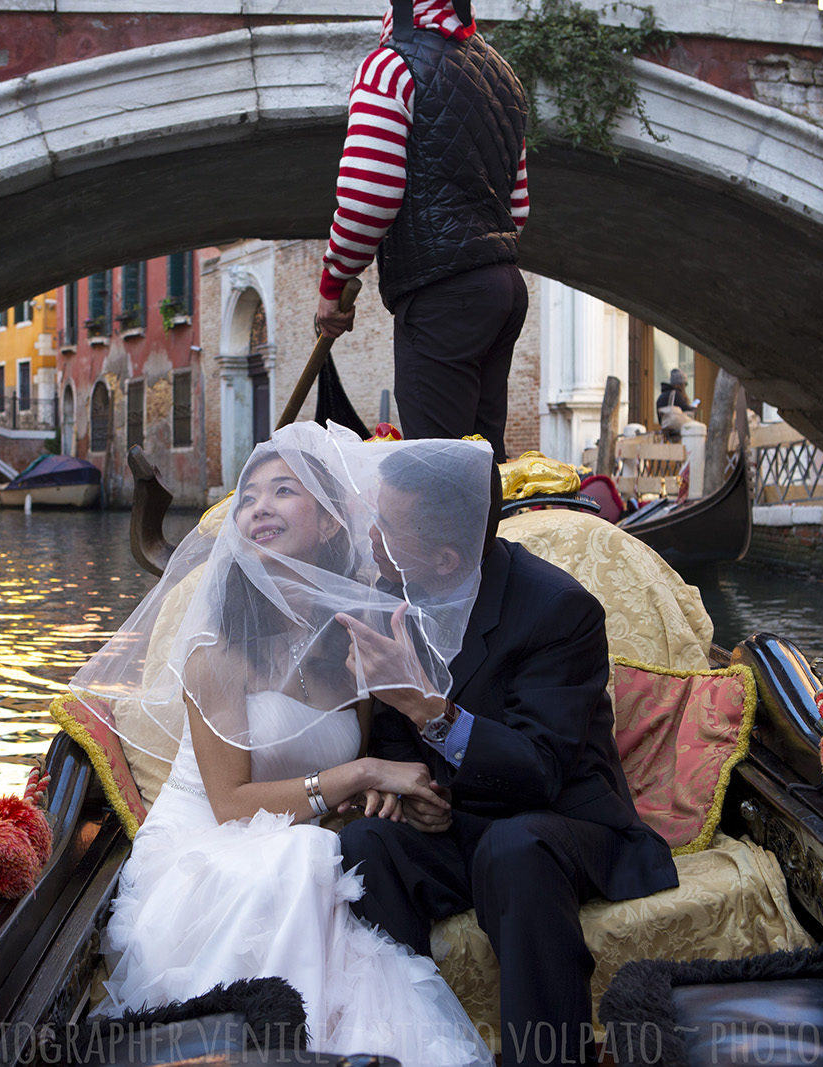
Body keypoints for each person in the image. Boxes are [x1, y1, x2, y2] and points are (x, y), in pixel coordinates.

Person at [69, 422, 497, 1067]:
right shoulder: (217, 654)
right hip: (209, 839)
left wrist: (395, 796)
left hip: (305, 835)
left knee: (315, 856)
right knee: (302, 860)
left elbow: (355, 787)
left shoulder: (354, 649)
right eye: (248, 497)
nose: (258, 506)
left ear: (329, 523)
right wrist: (361, 773)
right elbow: (232, 804)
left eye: (283, 490)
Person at [335, 448, 680, 1066]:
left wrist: (429, 710)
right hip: (457, 830)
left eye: (387, 527)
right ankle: (418, 1045)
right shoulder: (390, 592)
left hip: (561, 824)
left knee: (514, 848)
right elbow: (390, 737)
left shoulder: (556, 610)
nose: (371, 537)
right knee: (363, 844)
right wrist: (416, 799)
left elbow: (540, 768)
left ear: (445, 557)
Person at [314, 0, 529, 463]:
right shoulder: (504, 78)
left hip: (441, 296)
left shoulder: (388, 68)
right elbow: (519, 206)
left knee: (437, 470)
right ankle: (484, 539)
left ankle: (455, 539)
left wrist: (333, 282)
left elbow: (368, 196)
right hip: (502, 288)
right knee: (480, 460)